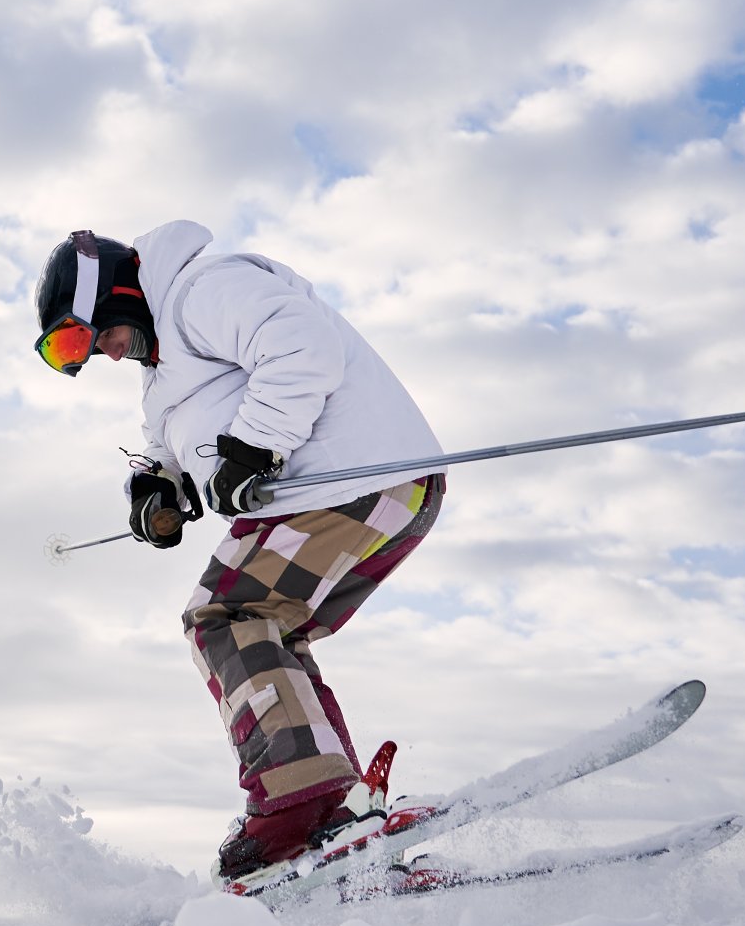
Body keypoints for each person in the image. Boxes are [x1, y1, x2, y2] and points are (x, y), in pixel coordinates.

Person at [34, 222, 446, 883]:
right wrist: (154, 488)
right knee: (268, 632)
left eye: (84, 335)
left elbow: (302, 346)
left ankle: (296, 801)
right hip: (377, 490)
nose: (98, 356)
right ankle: (325, 812)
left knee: (222, 616)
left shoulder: (202, 290)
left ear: (112, 294)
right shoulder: (163, 369)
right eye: (69, 352)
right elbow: (163, 444)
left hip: (348, 477)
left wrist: (254, 445)